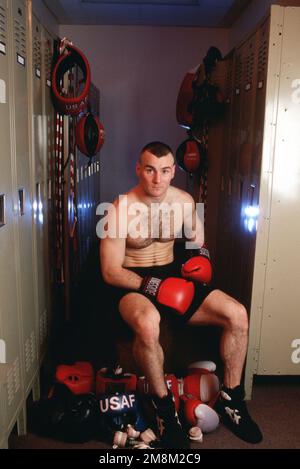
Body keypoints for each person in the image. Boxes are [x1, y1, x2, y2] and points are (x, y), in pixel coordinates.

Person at [100, 141, 262, 448]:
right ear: (139, 169)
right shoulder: (119, 209)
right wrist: (154, 286)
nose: (157, 179)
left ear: (174, 171)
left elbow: (198, 243)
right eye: (150, 170)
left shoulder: (185, 202)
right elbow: (110, 271)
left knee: (237, 314)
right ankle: (165, 411)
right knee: (148, 325)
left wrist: (202, 261)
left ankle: (232, 399)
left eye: (164, 171)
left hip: (174, 279)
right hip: (134, 283)